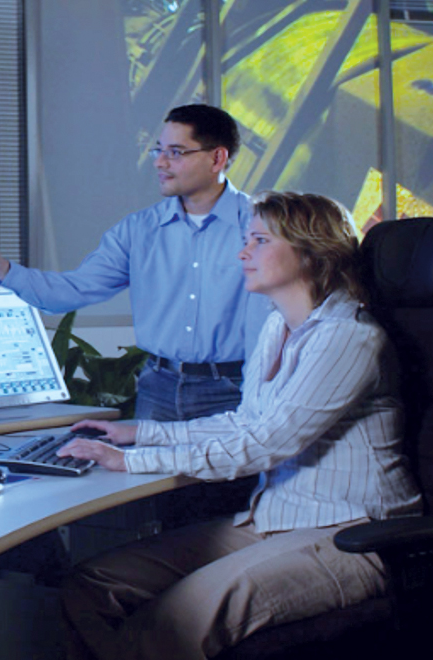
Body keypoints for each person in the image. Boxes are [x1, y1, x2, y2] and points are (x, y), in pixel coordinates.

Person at [56, 191, 423, 660]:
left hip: (353, 534)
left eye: (259, 240)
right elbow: (247, 421)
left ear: (311, 251)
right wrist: (142, 432)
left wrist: (131, 462)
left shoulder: (349, 338)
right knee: (89, 586)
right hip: (272, 518)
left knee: (172, 623)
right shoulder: (278, 327)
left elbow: (267, 444)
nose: (242, 252)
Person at [0, 104, 268, 423]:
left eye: (176, 152)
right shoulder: (138, 230)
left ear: (217, 158)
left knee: (232, 475)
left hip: (234, 390)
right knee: (152, 474)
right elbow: (74, 290)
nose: (160, 162)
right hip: (158, 390)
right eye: (158, 151)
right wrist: (3, 270)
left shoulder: (264, 229)